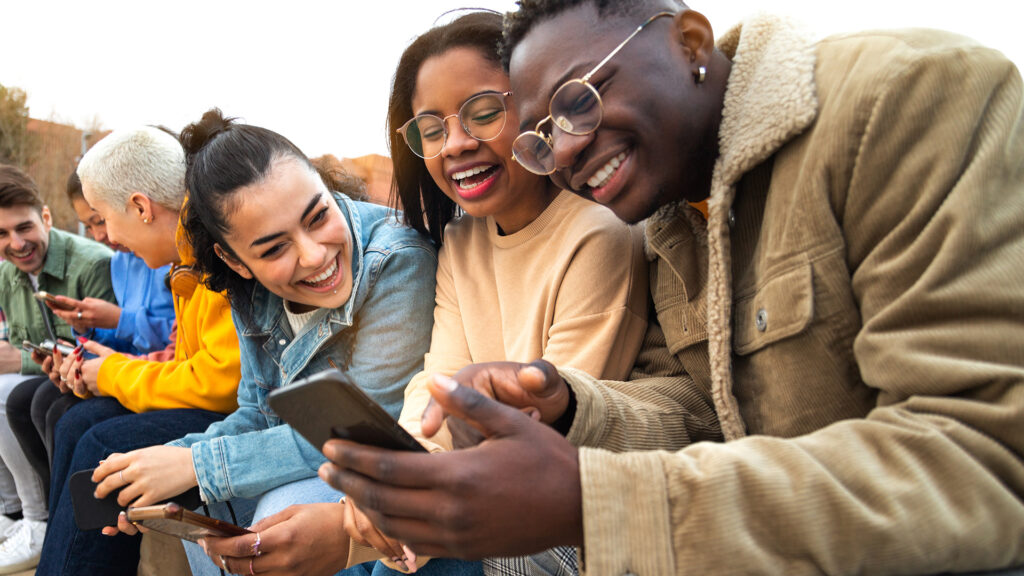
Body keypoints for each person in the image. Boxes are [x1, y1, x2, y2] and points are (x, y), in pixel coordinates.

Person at [319, 1, 1024, 574]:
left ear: (690, 41)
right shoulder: (668, 217)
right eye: (541, 136)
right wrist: (568, 407)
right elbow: (707, 409)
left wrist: (597, 503)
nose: (565, 151)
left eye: (580, 99)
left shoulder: (905, 95)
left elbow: (985, 459)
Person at [94, 109, 453, 576]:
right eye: (274, 248)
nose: (315, 255)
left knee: (274, 508)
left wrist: (199, 465)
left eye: (318, 216)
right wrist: (162, 466)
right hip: (333, 462)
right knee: (199, 512)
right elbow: (258, 412)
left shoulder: (397, 260)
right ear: (235, 261)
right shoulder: (247, 289)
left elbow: (367, 433)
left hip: (388, 474)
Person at [35, 126, 242, 576]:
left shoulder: (211, 251)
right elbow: (185, 359)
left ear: (141, 207)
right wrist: (104, 369)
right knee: (75, 419)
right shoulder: (182, 257)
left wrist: (112, 372)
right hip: (210, 399)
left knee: (102, 444)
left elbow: (220, 383)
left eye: (103, 218)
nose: (107, 235)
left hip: (241, 415)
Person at [5, 169, 176, 504]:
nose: (101, 235)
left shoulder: (158, 259)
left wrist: (118, 320)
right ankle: (46, 512)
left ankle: (55, 514)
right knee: (33, 401)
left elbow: (174, 341)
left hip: (152, 375)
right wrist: (85, 335)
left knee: (68, 417)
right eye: (90, 225)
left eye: (102, 220)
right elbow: (121, 344)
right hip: (130, 367)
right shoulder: (121, 262)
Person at [0, 164, 115, 573]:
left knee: (16, 397)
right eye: (2, 234)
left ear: (46, 218)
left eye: (24, 227)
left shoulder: (92, 263)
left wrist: (20, 361)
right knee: (19, 396)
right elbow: (18, 340)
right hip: (56, 375)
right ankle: (13, 512)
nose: (17, 244)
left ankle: (40, 521)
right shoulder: (7, 274)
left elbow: (112, 342)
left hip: (96, 377)